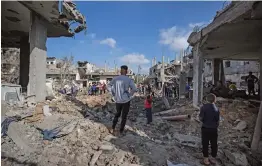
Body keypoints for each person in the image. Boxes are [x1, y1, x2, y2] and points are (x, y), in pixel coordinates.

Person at [107, 65, 137, 135]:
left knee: (117, 114)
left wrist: (113, 93)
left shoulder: (115, 78)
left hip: (118, 100)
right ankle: (121, 130)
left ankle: (113, 127)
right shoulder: (129, 80)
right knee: (124, 116)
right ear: (126, 71)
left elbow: (108, 86)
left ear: (120, 71)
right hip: (126, 100)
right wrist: (130, 95)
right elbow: (134, 89)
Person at [199, 93, 220, 165]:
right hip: (214, 129)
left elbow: (201, 118)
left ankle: (206, 160)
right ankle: (213, 158)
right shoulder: (216, 108)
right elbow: (217, 120)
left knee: (205, 143)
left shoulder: (203, 107)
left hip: (205, 128)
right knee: (214, 143)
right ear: (215, 100)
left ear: (207, 99)